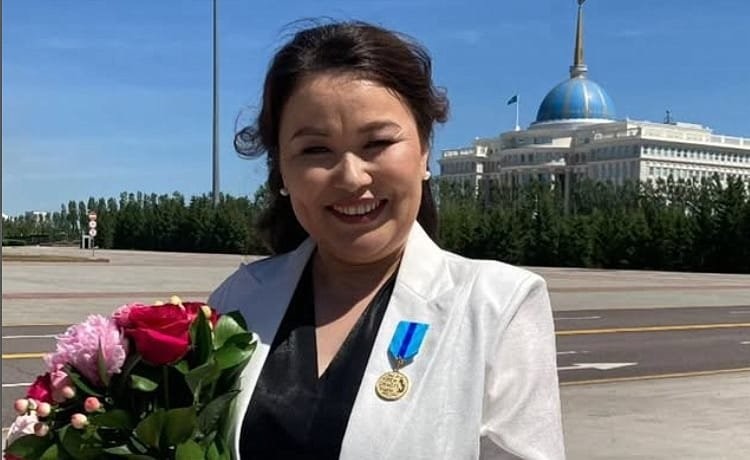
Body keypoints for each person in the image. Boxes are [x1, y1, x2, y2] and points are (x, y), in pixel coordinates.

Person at [209, 20, 565, 460]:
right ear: (281, 169)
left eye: (376, 142)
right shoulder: (238, 302)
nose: (351, 176)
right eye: (316, 150)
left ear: (424, 150)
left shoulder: (497, 306)